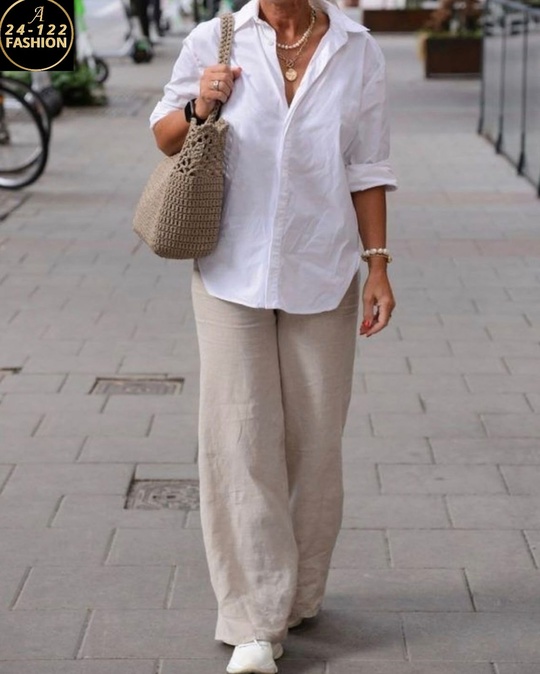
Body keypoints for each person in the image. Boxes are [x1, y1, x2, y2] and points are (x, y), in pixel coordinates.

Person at [150, 0, 397, 670]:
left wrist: (377, 266)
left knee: (315, 444)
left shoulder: (357, 50)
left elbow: (367, 167)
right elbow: (165, 135)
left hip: (323, 267)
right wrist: (201, 103)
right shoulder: (216, 38)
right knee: (240, 439)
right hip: (230, 269)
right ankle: (253, 620)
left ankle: (297, 591)